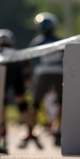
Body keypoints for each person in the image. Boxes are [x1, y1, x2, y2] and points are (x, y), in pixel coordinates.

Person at [0, 29, 36, 149]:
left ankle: (3, 130)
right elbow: (25, 67)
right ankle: (30, 130)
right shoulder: (16, 52)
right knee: (22, 104)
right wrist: (27, 78)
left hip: (3, 72)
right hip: (16, 73)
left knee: (2, 103)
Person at [27, 12, 64, 146]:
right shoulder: (59, 41)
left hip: (42, 74)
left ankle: (31, 129)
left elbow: (28, 59)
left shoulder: (37, 42)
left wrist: (27, 76)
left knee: (36, 103)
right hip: (59, 73)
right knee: (61, 102)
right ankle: (59, 128)